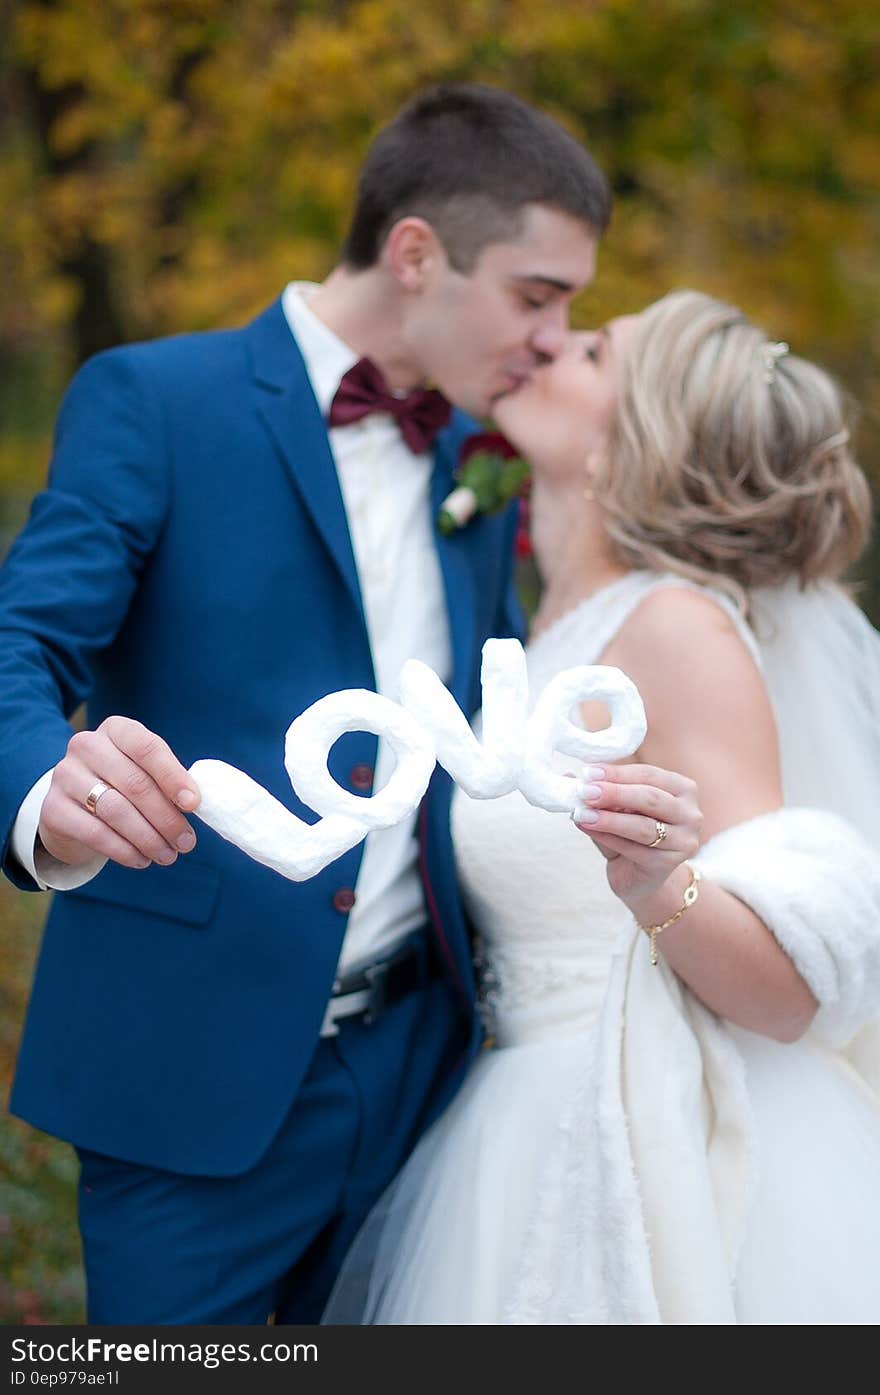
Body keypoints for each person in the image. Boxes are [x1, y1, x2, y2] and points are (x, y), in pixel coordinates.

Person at [0, 84, 611, 1324]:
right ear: (416, 253)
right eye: (536, 295)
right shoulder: (156, 402)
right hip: (190, 1070)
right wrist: (46, 796)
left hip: (428, 1067)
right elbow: (20, 641)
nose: (552, 340)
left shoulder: (474, 468)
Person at [323, 289, 880, 1324]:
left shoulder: (676, 631)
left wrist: (655, 884)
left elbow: (786, 990)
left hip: (633, 1125)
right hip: (511, 1109)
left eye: (587, 350)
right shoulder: (549, 625)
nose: (544, 345)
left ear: (629, 440)